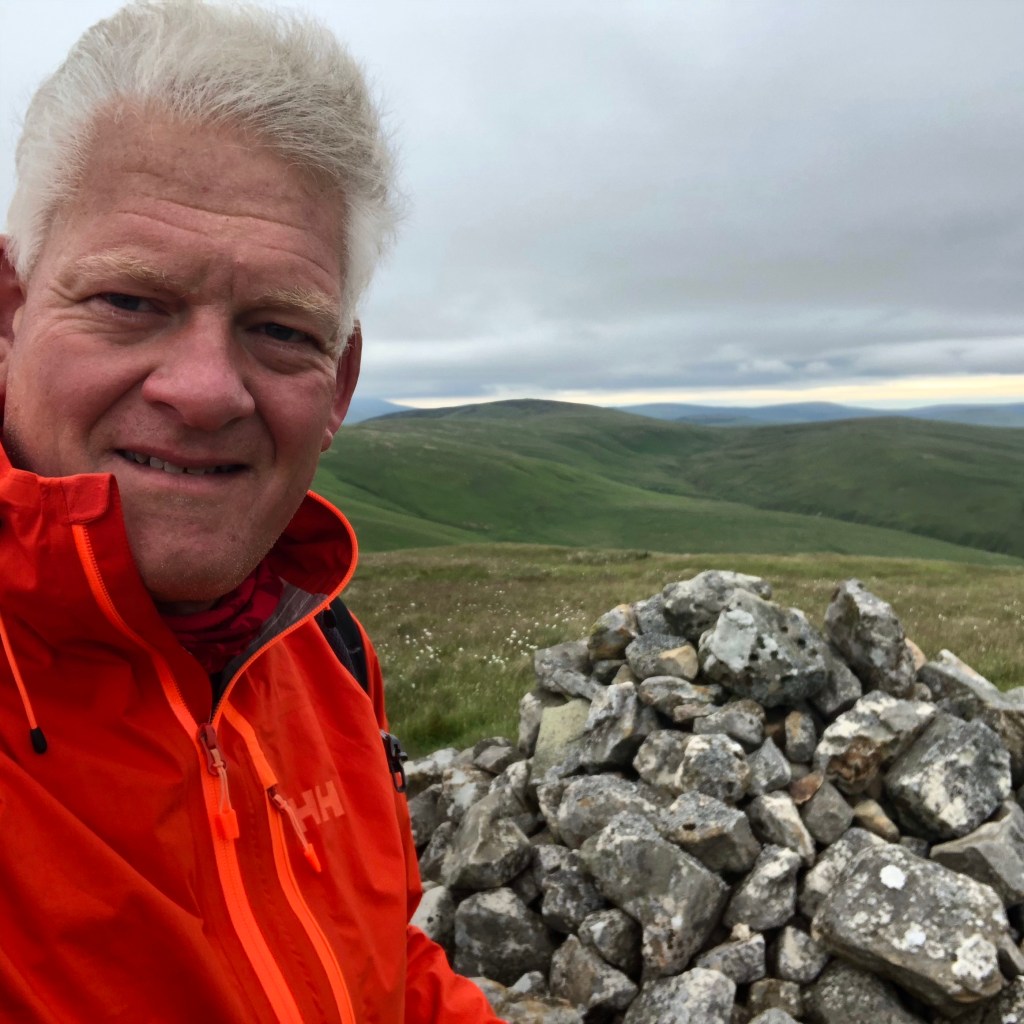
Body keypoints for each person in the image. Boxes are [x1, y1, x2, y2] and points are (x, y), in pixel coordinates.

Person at [0, 2, 502, 1021]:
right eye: (131, 301)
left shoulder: (323, 646)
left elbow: (380, 966)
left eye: (279, 330)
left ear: (340, 383)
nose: (204, 391)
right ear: (9, 315)